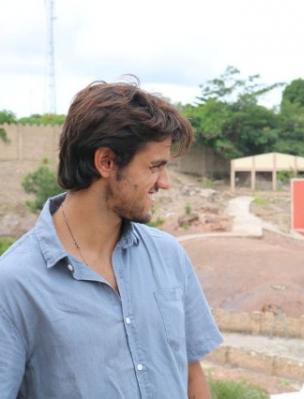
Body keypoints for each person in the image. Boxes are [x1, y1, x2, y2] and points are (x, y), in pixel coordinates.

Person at [0, 80, 222, 398]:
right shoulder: (13, 283)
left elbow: (191, 376)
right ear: (106, 162)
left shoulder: (168, 255)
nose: (165, 183)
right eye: (155, 166)